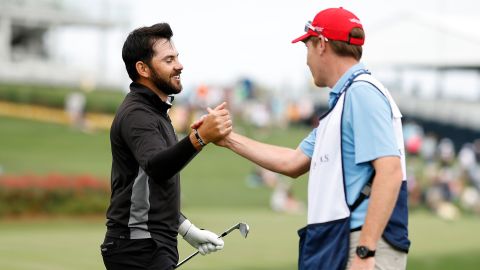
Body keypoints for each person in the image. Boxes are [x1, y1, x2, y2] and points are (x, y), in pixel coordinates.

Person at [210, 7, 410, 270]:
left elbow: (390, 172)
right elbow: (293, 161)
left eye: (306, 47)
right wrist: (227, 138)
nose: (306, 60)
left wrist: (365, 251)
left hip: (360, 243)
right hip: (343, 240)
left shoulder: (361, 93)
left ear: (322, 44)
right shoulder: (346, 100)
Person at [100, 23, 232, 270]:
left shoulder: (155, 111)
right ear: (143, 69)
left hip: (148, 245)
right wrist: (199, 138)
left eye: (177, 57)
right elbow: (157, 167)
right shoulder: (137, 113)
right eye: (169, 59)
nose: (179, 65)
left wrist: (187, 230)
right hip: (137, 247)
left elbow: (154, 189)